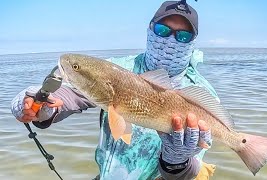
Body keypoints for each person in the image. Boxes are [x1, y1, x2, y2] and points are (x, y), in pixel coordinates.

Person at [11, 1, 219, 179]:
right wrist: (41, 100)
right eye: (162, 31)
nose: (170, 41)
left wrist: (177, 161)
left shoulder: (202, 95)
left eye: (182, 36)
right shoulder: (118, 69)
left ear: (192, 42)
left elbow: (192, 170)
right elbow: (74, 93)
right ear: (150, 29)